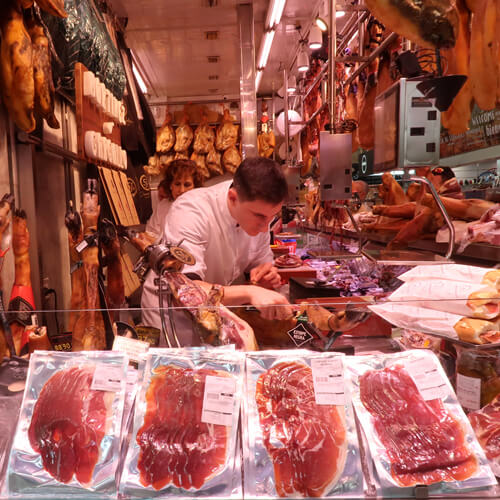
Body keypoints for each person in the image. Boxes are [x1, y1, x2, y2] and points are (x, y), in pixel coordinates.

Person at [141, 157, 293, 344]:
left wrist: (264, 276)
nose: (264, 228)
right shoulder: (191, 211)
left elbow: (260, 263)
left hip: (215, 315)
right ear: (232, 198)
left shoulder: (259, 215)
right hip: (172, 319)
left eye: (272, 217)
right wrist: (250, 292)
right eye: (260, 216)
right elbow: (186, 292)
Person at [146, 159, 204, 236]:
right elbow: (151, 233)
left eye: (187, 185)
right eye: (177, 184)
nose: (182, 190)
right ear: (170, 185)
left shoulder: (202, 209)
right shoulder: (163, 206)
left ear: (195, 186)